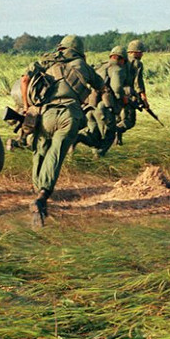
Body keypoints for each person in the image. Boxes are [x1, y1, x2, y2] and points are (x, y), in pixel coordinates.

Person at [19, 35, 102, 226]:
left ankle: (37, 191)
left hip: (45, 114)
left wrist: (26, 106)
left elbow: (24, 80)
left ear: (61, 48)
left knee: (40, 150)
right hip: (69, 116)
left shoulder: (46, 61)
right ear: (79, 50)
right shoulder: (82, 65)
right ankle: (42, 195)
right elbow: (101, 86)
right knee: (55, 154)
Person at [77, 45, 125, 157]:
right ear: (122, 59)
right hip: (103, 109)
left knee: (94, 135)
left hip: (90, 107)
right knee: (109, 136)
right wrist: (122, 98)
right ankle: (99, 158)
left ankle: (78, 138)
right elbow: (117, 88)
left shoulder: (99, 67)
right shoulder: (117, 69)